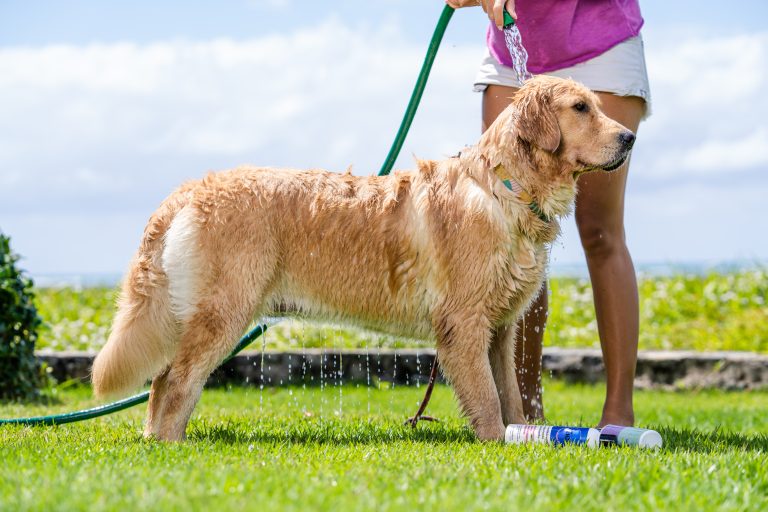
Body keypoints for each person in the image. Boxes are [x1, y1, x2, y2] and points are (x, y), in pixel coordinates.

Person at [446, 0, 651, 427]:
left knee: (600, 232)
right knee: (510, 229)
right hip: (513, 50)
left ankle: (618, 413)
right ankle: (522, 410)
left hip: (599, 44)